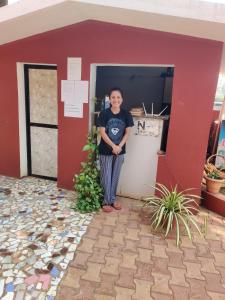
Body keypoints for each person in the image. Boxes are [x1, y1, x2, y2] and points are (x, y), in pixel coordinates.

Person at [97, 87, 134, 212]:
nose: (115, 99)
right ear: (110, 99)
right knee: (106, 175)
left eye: (118, 97)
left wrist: (119, 147)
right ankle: (106, 201)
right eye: (113, 97)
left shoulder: (126, 114)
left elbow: (128, 132)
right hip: (105, 150)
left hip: (120, 151)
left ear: (121, 99)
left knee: (115, 176)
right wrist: (113, 146)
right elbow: (102, 132)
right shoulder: (104, 113)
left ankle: (112, 199)